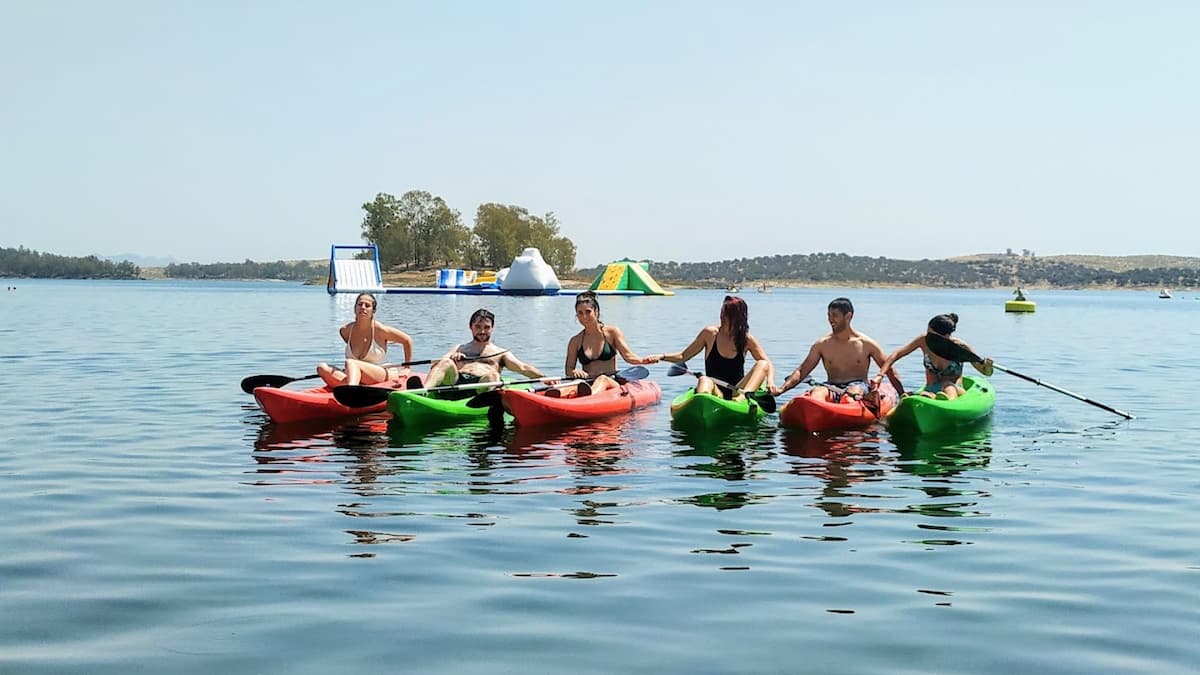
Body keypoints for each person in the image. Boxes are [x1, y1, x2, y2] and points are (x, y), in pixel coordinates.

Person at [769, 297, 902, 404]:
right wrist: (782, 389)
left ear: (848, 316)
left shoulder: (866, 344)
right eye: (829, 315)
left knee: (850, 396)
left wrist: (902, 394)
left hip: (858, 386)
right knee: (817, 395)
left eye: (835, 315)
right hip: (830, 385)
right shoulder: (822, 344)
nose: (830, 319)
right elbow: (802, 371)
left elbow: (889, 369)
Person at [653, 295, 774, 401]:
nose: (722, 316)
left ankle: (744, 398)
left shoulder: (747, 339)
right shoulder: (710, 334)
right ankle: (703, 402)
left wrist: (770, 382)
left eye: (727, 314)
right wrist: (661, 357)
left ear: (738, 317)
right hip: (715, 391)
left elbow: (767, 364)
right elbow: (683, 356)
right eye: (722, 312)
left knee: (762, 363)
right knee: (704, 380)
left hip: (737, 391)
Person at [421, 308, 546, 398]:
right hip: (456, 383)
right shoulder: (460, 347)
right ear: (471, 327)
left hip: (481, 388)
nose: (482, 331)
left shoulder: (500, 353)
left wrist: (544, 378)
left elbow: (523, 368)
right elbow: (437, 366)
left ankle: (486, 402)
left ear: (492, 328)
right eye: (478, 327)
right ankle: (422, 392)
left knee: (493, 375)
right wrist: (453, 359)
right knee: (446, 362)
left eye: (486, 327)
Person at [555, 291, 658, 397]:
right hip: (587, 383)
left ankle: (589, 396)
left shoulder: (612, 333)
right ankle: (555, 396)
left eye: (588, 311)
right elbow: (568, 370)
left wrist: (643, 361)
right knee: (570, 387)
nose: (584, 316)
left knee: (602, 379)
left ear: (596, 312)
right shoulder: (575, 341)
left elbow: (628, 357)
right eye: (580, 313)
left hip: (611, 382)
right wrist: (575, 372)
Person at [877, 313, 994, 400]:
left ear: (946, 336)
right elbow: (897, 354)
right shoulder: (923, 340)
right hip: (931, 388)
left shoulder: (961, 348)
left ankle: (946, 404)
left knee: (948, 386)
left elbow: (986, 372)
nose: (929, 337)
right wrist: (880, 375)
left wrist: (988, 366)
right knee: (924, 394)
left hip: (956, 391)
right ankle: (931, 398)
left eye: (932, 335)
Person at [317, 292, 414, 387]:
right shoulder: (345, 331)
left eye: (367, 305)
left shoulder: (380, 330)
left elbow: (407, 340)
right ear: (355, 308)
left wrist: (407, 367)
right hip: (357, 376)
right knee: (322, 368)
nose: (363, 307)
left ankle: (351, 390)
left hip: (381, 372)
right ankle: (352, 386)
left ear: (373, 311)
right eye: (360, 304)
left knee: (351, 362)